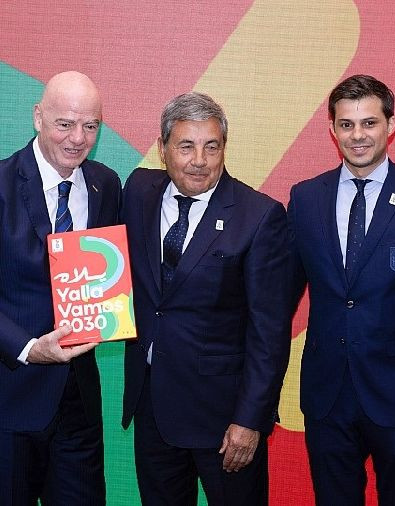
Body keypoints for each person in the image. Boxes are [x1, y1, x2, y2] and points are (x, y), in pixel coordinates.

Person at [0, 71, 120, 504]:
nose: (78, 138)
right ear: (38, 118)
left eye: (90, 126)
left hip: (76, 401)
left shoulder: (106, 185)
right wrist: (29, 347)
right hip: (3, 393)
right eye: (65, 124)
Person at [288, 75, 395, 505]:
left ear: (391, 125)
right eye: (346, 125)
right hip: (327, 398)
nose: (358, 135)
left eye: (369, 123)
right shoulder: (305, 199)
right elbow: (279, 298)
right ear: (332, 130)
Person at [120, 91, 292, 506]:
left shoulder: (259, 216)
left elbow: (269, 332)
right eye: (186, 146)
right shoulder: (138, 191)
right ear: (162, 149)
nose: (200, 160)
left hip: (225, 422)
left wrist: (250, 420)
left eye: (211, 147)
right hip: (153, 411)